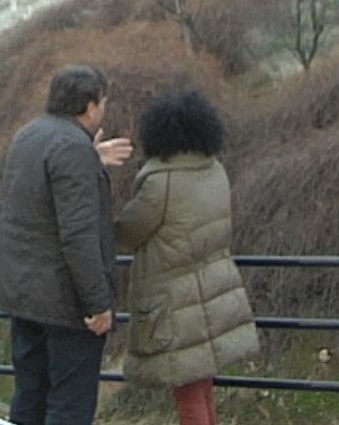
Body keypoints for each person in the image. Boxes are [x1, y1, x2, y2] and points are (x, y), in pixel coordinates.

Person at [0, 64, 133, 425]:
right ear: (88, 106)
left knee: (29, 396)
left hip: (22, 294)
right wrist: (98, 303)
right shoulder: (73, 148)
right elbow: (78, 236)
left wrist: (90, 159)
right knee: (69, 405)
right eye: (101, 102)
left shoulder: (28, 136)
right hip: (64, 305)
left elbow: (39, 200)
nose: (103, 109)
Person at [115, 89, 259, 425]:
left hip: (175, 305)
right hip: (213, 290)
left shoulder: (160, 182)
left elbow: (128, 233)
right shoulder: (215, 170)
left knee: (188, 395)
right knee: (202, 389)